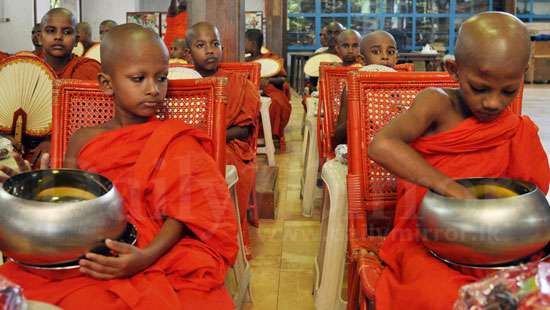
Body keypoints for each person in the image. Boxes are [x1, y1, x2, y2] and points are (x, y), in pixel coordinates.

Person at [0, 23, 238, 310]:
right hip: (88, 249)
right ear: (107, 83)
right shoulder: (83, 139)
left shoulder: (176, 139)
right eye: (139, 79)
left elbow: (184, 212)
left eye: (161, 78)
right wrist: (29, 187)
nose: (154, 89)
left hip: (159, 249)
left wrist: (145, 257)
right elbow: (68, 197)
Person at [366, 12, 550, 309]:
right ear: (453, 69)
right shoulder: (436, 103)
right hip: (431, 240)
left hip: (502, 242)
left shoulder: (515, 128)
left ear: (522, 74)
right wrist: (445, 185)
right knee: (444, 297)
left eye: (509, 91)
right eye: (479, 88)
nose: (493, 102)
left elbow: (533, 185)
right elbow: (382, 145)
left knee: (533, 290)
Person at [186, 22, 260, 259]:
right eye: (201, 45)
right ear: (188, 53)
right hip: (186, 145)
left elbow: (244, 131)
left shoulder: (238, 83)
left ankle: (229, 237)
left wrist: (210, 137)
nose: (209, 50)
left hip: (227, 144)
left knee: (231, 167)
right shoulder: (179, 82)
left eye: (214, 44)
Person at [332, 30, 399, 147]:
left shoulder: (405, 88)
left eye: (390, 52)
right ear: (362, 60)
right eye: (376, 52)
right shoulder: (353, 88)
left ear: (396, 58)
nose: (384, 57)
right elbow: (337, 138)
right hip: (363, 149)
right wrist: (360, 117)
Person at [245, 28, 291, 148]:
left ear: (253, 44)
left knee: (278, 103)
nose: (243, 44)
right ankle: (251, 134)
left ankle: (271, 134)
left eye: (245, 41)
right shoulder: (244, 60)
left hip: (270, 90)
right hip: (250, 90)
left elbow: (282, 79)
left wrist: (268, 80)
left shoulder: (271, 59)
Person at [39, 8, 101, 80]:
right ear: (40, 38)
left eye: (67, 32)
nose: (58, 37)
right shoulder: (29, 67)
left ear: (76, 40)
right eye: (51, 31)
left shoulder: (89, 69)